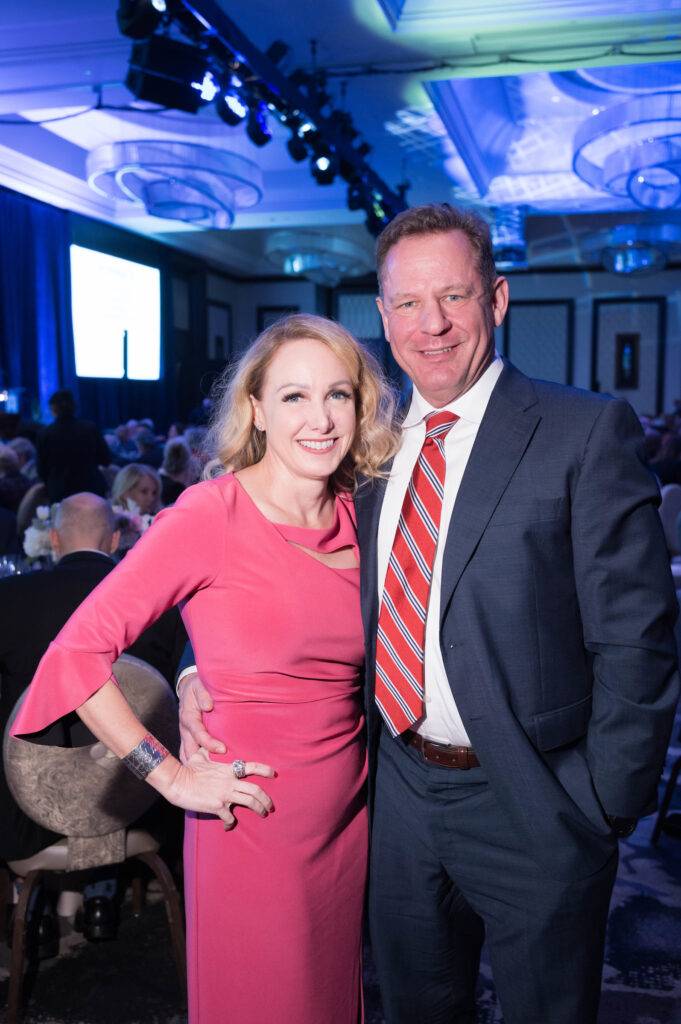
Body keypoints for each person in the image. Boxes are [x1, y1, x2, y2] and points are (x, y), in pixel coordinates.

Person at [178, 205, 680, 1024]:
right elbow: (268, 581)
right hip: (393, 796)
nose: (432, 324)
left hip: (537, 797)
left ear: (498, 299)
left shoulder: (581, 432)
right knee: (412, 1006)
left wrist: (600, 803)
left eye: (453, 296)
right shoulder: (357, 447)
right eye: (408, 303)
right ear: (382, 316)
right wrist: (198, 671)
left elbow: (637, 638)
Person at [11, 314, 399, 1024]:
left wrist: (193, 669)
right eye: (293, 397)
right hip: (250, 821)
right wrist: (170, 775)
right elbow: (76, 656)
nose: (319, 418)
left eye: (337, 395)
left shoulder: (359, 514)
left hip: (348, 820)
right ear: (254, 408)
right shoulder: (208, 515)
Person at [0, 492, 187, 941]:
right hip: (139, 805)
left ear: (53, 539)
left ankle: (26, 906)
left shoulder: (11, 597)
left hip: (28, 821)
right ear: (117, 539)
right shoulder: (158, 603)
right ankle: (100, 892)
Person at [36, 389, 110, 502]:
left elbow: (41, 470)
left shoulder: (45, 434)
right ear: (74, 406)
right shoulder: (90, 428)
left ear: (53, 408)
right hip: (91, 490)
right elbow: (105, 459)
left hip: (60, 493)